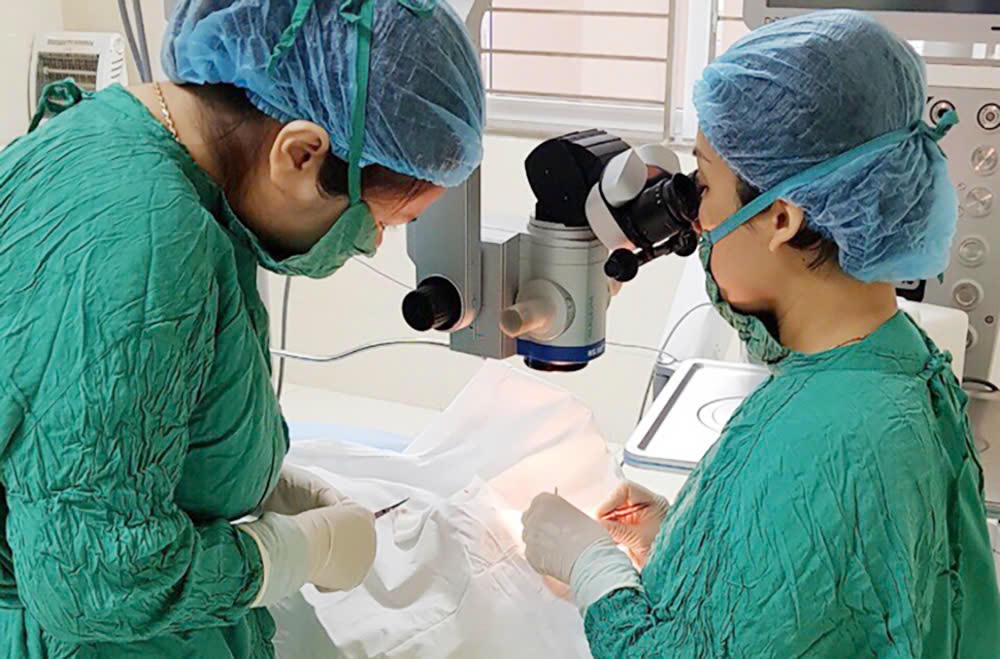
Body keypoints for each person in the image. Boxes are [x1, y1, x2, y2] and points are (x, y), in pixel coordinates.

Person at [0, 0, 483, 655]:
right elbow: (96, 582)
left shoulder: (143, 157)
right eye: (380, 220)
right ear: (301, 153)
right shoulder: (150, 239)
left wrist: (264, 485)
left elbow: (98, 431)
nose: (370, 244)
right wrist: (292, 552)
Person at [521, 10, 1000, 658]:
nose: (695, 216)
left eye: (704, 185)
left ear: (779, 218)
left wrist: (590, 566)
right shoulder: (888, 363)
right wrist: (684, 539)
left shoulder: (831, 437)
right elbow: (825, 589)